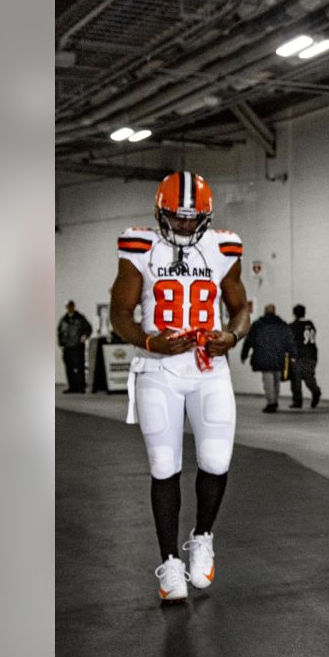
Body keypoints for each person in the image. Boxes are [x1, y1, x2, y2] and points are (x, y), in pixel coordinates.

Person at [108, 170, 250, 601]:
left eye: (193, 218)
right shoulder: (138, 245)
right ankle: (169, 563)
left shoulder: (224, 246)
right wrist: (150, 341)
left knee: (216, 460)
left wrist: (233, 334)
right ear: (160, 211)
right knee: (164, 465)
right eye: (178, 216)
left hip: (209, 367)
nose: (186, 225)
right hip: (158, 369)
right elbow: (120, 314)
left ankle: (202, 536)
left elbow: (241, 305)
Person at [241, 304, 296, 413]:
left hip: (263, 357)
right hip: (279, 356)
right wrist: (293, 354)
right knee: (276, 379)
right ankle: (274, 400)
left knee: (268, 381)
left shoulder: (258, 324)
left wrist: (244, 354)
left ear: (265, 311)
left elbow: (249, 341)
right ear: (274, 312)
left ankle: (271, 403)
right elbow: (289, 340)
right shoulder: (282, 324)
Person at [289, 304, 322, 409]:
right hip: (312, 355)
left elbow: (292, 342)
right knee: (309, 377)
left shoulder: (293, 326)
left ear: (294, 314)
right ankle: (315, 391)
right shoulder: (310, 324)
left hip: (300, 356)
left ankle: (297, 402)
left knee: (296, 379)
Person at [57, 300, 93, 393]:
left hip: (77, 347)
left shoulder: (80, 318)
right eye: (68, 306)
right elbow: (60, 332)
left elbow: (88, 328)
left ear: (74, 307)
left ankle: (81, 387)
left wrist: (85, 336)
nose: (70, 308)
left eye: (71, 306)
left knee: (79, 367)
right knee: (69, 368)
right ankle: (72, 387)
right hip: (67, 347)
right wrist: (61, 343)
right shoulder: (63, 320)